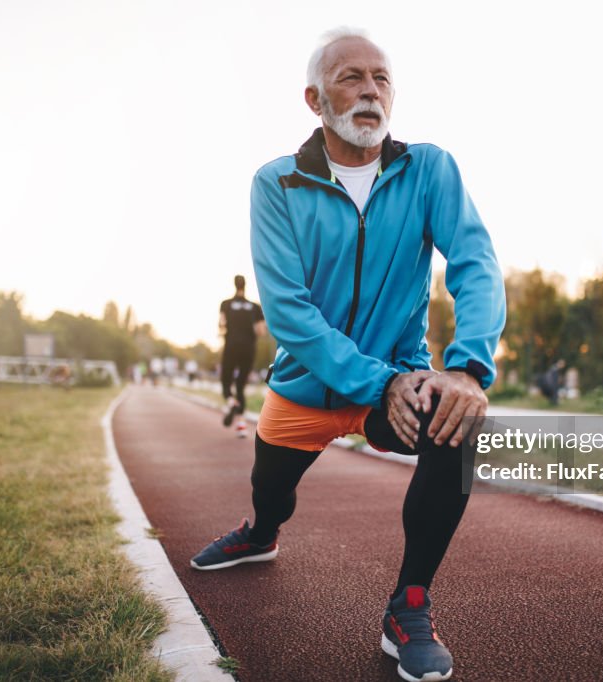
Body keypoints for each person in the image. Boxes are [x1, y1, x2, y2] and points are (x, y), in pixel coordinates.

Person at [191, 28, 506, 682]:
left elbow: (475, 264)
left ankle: (409, 605)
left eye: (381, 78)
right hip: (304, 389)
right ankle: (261, 531)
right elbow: (290, 313)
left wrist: (468, 367)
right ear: (315, 98)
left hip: (398, 378)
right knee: (271, 492)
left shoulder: (429, 171)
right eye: (350, 78)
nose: (369, 90)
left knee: (454, 421)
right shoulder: (276, 184)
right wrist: (379, 380)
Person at [219, 275, 266, 437]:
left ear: (234, 285)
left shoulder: (226, 304)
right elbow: (260, 331)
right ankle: (241, 426)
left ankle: (231, 402)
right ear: (245, 286)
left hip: (231, 346)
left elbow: (221, 324)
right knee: (240, 386)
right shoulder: (254, 307)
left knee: (226, 382)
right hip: (248, 349)